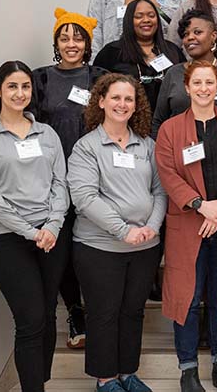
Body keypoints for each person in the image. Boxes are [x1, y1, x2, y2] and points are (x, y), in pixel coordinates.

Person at [0, 61, 69, 392]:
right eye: (12, 86)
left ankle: (39, 381)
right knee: (30, 320)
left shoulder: (47, 134)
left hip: (51, 236)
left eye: (25, 86)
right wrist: (30, 230)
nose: (19, 93)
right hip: (9, 238)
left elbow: (60, 184)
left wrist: (52, 225)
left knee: (48, 314)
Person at [154, 60, 217, 392]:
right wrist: (201, 206)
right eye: (196, 83)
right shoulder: (170, 129)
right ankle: (188, 368)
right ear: (186, 87)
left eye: (209, 82)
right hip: (188, 225)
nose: (203, 89)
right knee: (187, 294)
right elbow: (168, 173)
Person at [68, 73, 166, 392]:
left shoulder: (146, 145)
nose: (122, 104)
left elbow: (160, 191)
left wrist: (152, 226)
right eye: (116, 98)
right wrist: (123, 230)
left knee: (133, 311)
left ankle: (127, 373)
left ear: (136, 106)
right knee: (103, 313)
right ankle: (105, 378)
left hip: (144, 248)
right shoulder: (87, 147)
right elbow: (85, 197)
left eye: (129, 99)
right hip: (99, 248)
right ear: (101, 101)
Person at [32, 9, 108, 351]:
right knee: (61, 248)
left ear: (88, 42)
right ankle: (75, 310)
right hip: (53, 178)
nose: (71, 44)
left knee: (91, 246)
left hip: (96, 177)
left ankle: (99, 310)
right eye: (65, 38)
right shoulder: (40, 79)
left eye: (78, 38)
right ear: (56, 43)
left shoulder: (101, 78)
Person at [152, 10, 217, 135]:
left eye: (197, 32)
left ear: (213, 36)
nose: (190, 37)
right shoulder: (173, 74)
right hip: (178, 149)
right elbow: (159, 121)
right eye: (185, 34)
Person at [94, 0, 186, 114]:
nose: (146, 20)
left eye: (151, 16)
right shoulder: (111, 53)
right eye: (139, 16)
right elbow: (98, 92)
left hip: (168, 123)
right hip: (125, 123)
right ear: (129, 21)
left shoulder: (173, 51)